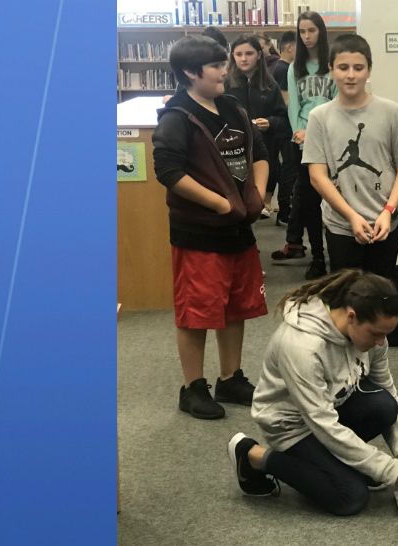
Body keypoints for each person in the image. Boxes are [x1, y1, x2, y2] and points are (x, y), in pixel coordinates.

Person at [227, 269, 398, 515]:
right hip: (290, 426)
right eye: (376, 334)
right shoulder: (302, 347)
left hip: (332, 405)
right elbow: (323, 424)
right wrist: (389, 469)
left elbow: (387, 388)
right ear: (352, 316)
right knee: (350, 498)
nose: (380, 343)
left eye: (386, 334)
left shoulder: (374, 336)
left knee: (384, 405)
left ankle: (339, 465)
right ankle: (253, 456)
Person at [152, 35, 269, 419]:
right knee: (197, 310)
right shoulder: (176, 115)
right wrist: (220, 204)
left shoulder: (232, 107)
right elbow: (168, 171)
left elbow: (259, 152)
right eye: (217, 65)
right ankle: (193, 386)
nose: (225, 70)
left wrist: (258, 195)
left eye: (224, 63)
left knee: (236, 306)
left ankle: (230, 377)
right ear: (190, 72)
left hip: (238, 227)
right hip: (199, 231)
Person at [303, 34, 398, 279]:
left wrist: (388, 210)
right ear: (331, 69)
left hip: (386, 222)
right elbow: (317, 176)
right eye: (343, 68)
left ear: (369, 70)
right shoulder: (319, 117)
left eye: (358, 68)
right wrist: (352, 216)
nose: (351, 75)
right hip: (341, 226)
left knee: (381, 298)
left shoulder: (392, 112)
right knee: (347, 299)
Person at [271, 11, 338, 281]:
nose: (307, 37)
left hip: (330, 138)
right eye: (302, 32)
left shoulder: (332, 63)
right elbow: (294, 106)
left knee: (333, 200)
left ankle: (337, 254)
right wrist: (300, 132)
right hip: (302, 142)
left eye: (311, 30)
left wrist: (316, 131)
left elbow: (336, 101)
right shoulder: (293, 68)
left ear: (321, 32)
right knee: (310, 202)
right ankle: (318, 257)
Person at [224, 35, 289, 220]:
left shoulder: (270, 85)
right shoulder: (225, 84)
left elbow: (283, 119)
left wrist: (270, 122)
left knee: (255, 205)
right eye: (238, 54)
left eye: (249, 53)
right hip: (233, 152)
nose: (243, 58)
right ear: (233, 56)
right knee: (235, 207)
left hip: (264, 151)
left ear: (259, 55)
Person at [271, 30, 298, 225]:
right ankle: (285, 211)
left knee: (289, 167)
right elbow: (286, 101)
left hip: (283, 126)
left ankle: (285, 209)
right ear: (289, 46)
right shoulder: (283, 69)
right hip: (286, 127)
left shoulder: (279, 68)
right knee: (290, 168)